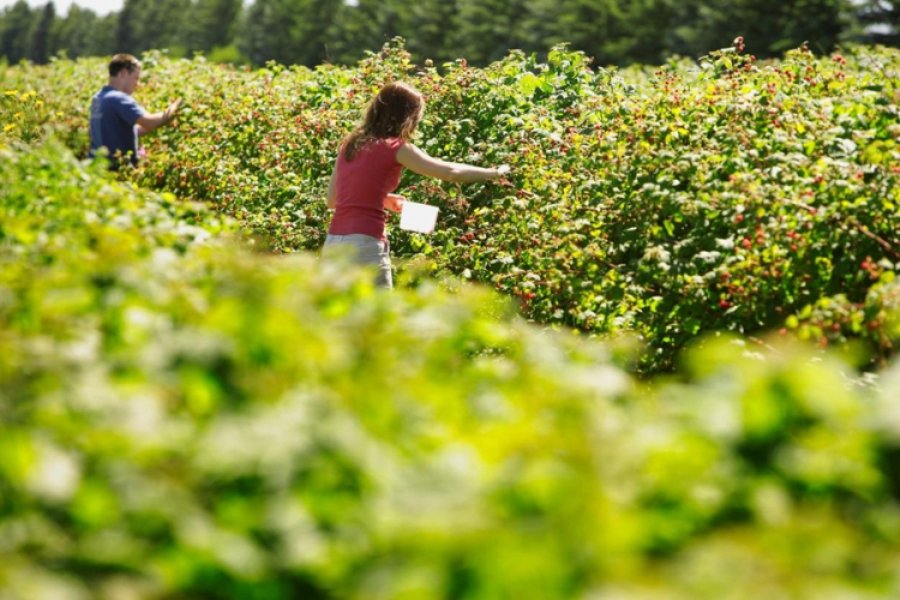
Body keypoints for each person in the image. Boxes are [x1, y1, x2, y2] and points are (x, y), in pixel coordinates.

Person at [323, 81, 509, 289]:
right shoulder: (395, 147)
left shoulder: (350, 143)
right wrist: (495, 173)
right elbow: (450, 172)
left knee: (339, 317)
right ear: (406, 117)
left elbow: (333, 201)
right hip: (364, 244)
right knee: (379, 317)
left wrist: (381, 199)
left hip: (334, 243)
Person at [89, 53, 181, 169]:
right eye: (136, 78)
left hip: (97, 169)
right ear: (123, 73)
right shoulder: (118, 98)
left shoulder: (98, 98)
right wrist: (176, 106)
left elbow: (113, 131)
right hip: (117, 172)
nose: (137, 84)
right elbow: (150, 122)